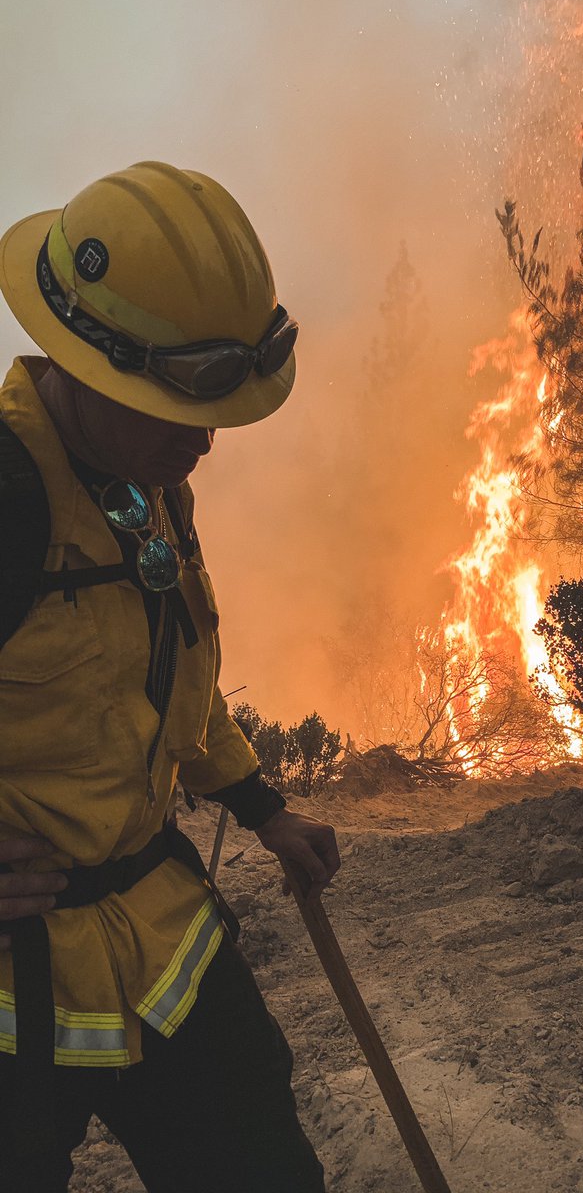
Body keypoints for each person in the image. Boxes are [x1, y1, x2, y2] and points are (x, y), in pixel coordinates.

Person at [0, 161, 339, 1191]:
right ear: (84, 362)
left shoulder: (147, 482)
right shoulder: (7, 497)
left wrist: (263, 807)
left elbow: (175, 672)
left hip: (156, 928)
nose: (204, 443)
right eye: (175, 410)